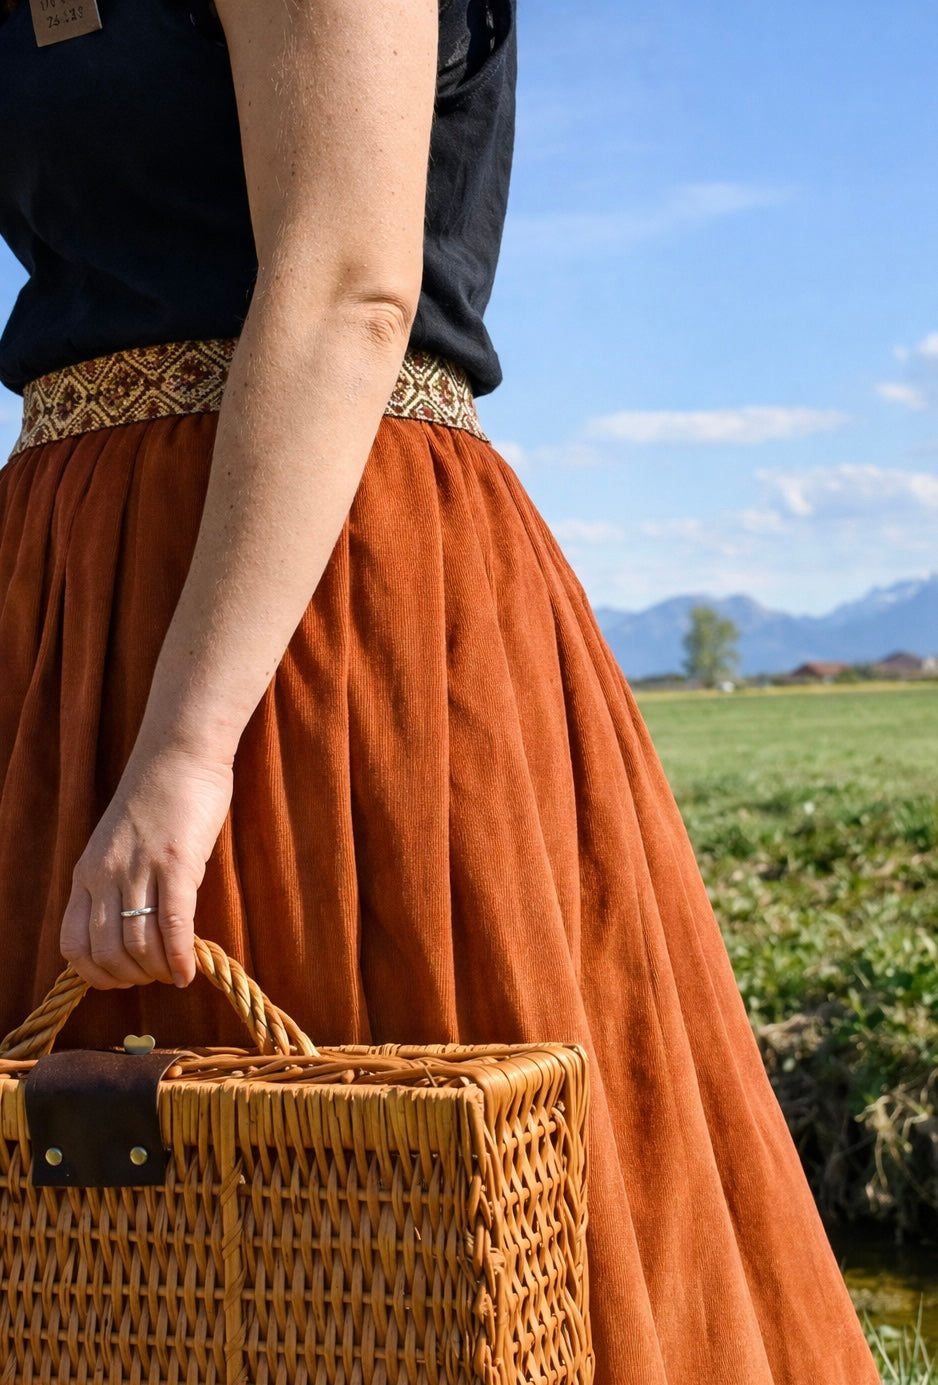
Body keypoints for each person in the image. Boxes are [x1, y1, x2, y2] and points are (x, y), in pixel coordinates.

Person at [0, 1, 880, 1380]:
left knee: (397, 1231)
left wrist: (184, 743)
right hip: (63, 602)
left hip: (322, 614)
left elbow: (351, 285)